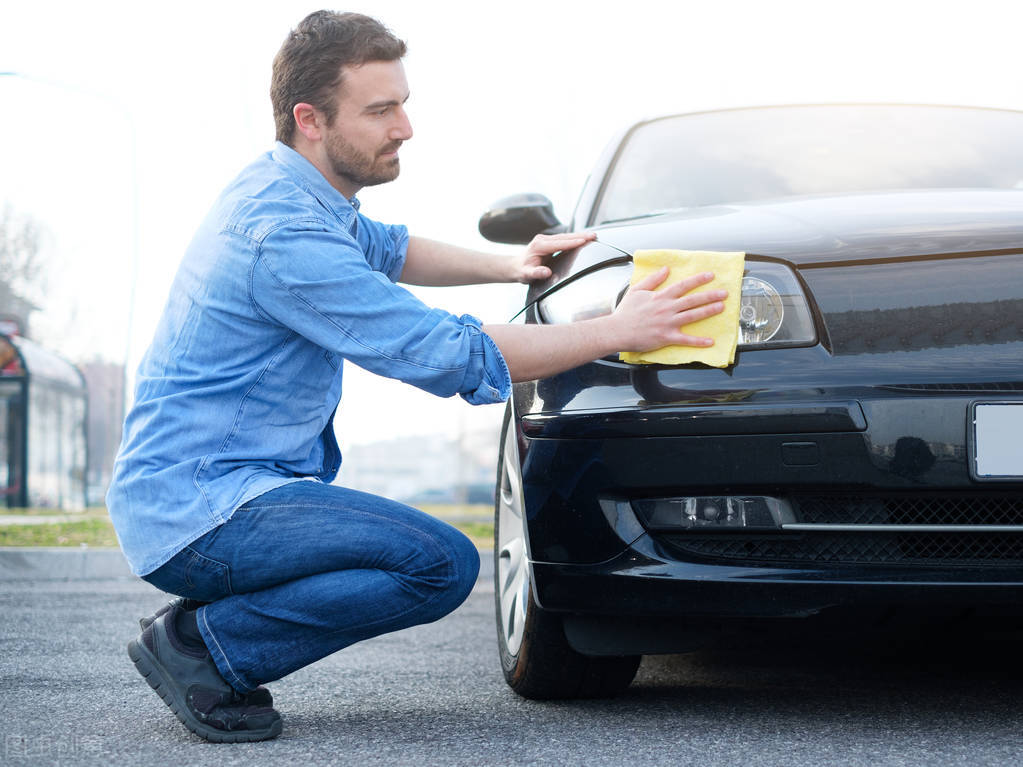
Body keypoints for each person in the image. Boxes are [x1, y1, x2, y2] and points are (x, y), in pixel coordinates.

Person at [108, 10, 728, 743]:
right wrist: (620, 331)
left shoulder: (291, 193)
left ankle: (207, 629)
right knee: (436, 564)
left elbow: (390, 247)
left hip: (205, 492)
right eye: (380, 110)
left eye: (402, 103)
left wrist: (509, 263)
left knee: (419, 554)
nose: (405, 127)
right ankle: (205, 648)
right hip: (200, 508)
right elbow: (444, 352)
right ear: (310, 119)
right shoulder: (284, 235)